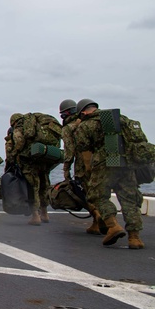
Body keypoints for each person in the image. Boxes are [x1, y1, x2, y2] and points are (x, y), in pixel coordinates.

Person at [73, 99, 144, 249]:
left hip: (104, 164)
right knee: (129, 199)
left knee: (97, 195)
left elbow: (82, 146)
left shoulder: (86, 125)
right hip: (126, 164)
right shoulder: (121, 119)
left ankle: (113, 226)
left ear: (83, 112)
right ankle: (134, 238)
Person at [59, 99, 107, 235]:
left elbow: (69, 152)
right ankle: (96, 223)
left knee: (87, 194)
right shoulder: (92, 122)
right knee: (99, 193)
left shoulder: (69, 128)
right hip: (101, 163)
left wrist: (66, 171)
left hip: (83, 166)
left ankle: (98, 217)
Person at [6, 112, 62, 225]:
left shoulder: (20, 126)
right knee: (44, 185)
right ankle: (45, 214)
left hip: (29, 161)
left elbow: (19, 141)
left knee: (32, 187)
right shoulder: (38, 126)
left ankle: (35, 216)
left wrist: (14, 154)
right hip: (43, 159)